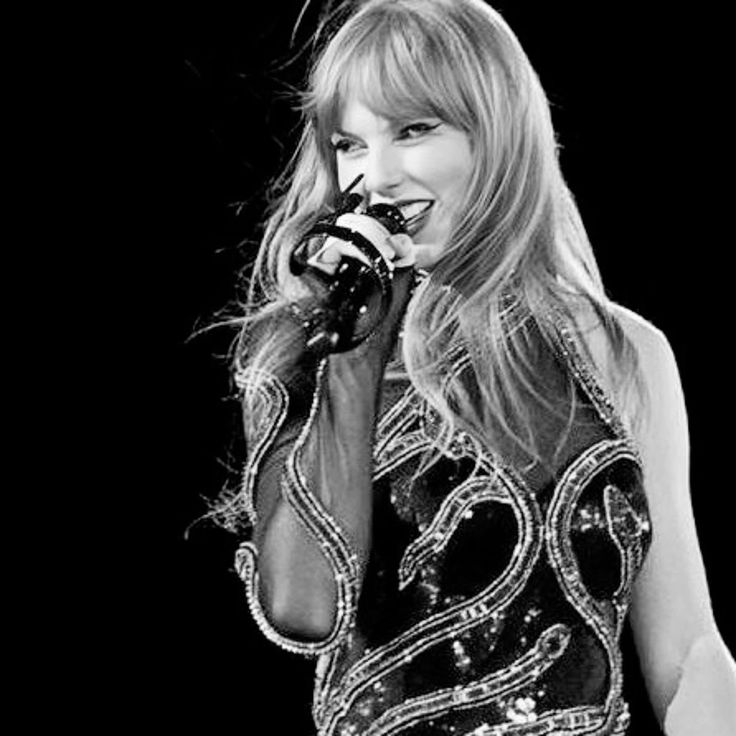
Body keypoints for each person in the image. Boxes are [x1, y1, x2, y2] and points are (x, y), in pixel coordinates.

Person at [210, 0, 736, 733]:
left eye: (414, 131)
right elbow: (304, 611)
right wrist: (355, 356)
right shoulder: (306, 353)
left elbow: (688, 650)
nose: (376, 177)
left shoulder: (624, 352)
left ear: (497, 134)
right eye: (349, 145)